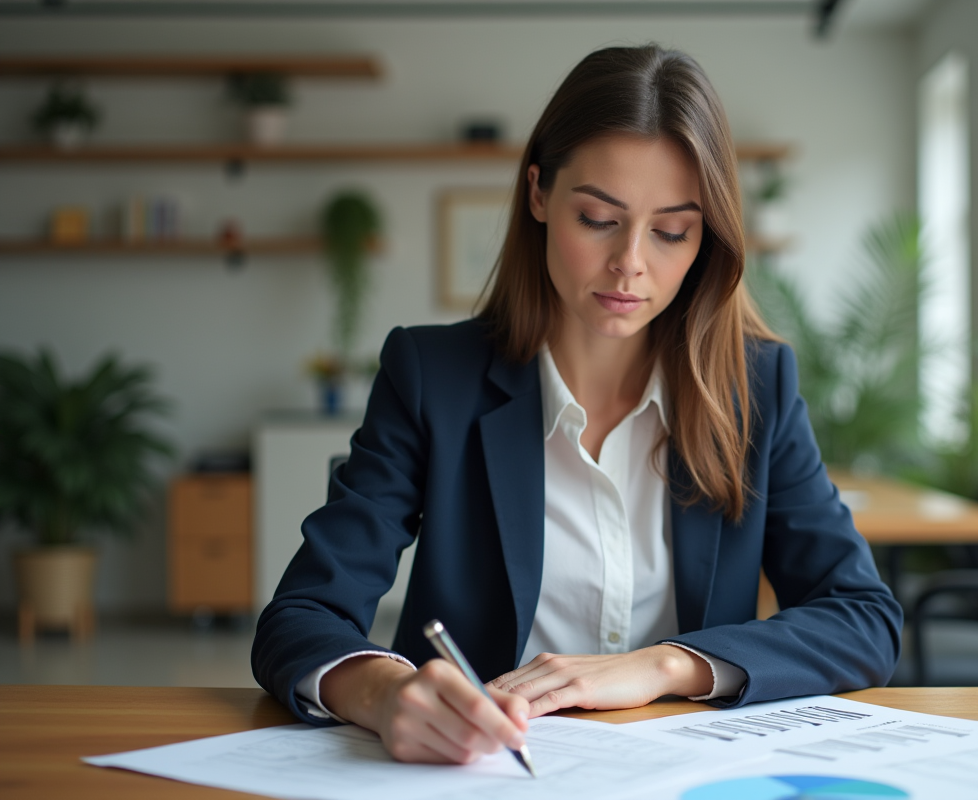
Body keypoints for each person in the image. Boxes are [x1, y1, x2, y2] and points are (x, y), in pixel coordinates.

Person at [252, 44, 901, 767]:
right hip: (484, 776)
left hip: (682, 777)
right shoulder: (433, 376)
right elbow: (301, 615)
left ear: (706, 237)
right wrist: (380, 693)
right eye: (598, 218)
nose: (631, 262)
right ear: (538, 193)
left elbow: (863, 619)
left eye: (672, 231)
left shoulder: (755, 387)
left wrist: (665, 663)